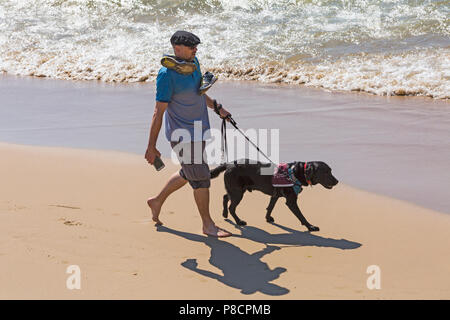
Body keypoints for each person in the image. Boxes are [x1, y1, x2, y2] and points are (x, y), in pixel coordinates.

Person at [145, 30, 232, 238]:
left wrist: (217, 108)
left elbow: (199, 92)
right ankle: (207, 225)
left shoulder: (194, 63)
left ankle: (156, 201)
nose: (196, 50)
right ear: (177, 49)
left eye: (196, 47)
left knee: (190, 171)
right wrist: (151, 146)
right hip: (182, 134)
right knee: (201, 177)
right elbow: (159, 111)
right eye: (192, 47)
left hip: (199, 130)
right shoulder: (166, 75)